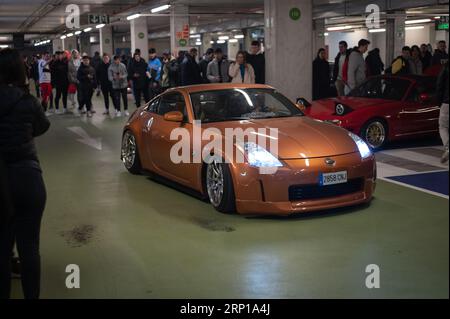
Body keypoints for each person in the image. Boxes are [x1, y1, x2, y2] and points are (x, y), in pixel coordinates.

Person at [0, 48, 50, 299]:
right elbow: (43, 126)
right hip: (28, 177)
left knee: (2, 249)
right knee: (29, 247)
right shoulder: (27, 100)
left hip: (2, 180)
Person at [436, 62, 449, 164]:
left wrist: (439, 102)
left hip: (447, 102)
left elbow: (439, 85)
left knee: (443, 127)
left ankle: (448, 147)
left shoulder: (446, 67)